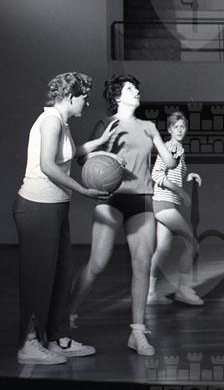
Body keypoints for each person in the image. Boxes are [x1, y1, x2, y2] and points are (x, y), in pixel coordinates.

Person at [68, 74, 182, 356]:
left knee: (142, 264)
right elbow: (81, 157)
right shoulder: (105, 124)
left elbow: (167, 161)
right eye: (131, 89)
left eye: (137, 88)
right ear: (118, 96)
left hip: (141, 198)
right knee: (97, 262)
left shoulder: (148, 126)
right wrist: (107, 157)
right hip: (110, 198)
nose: (137, 91)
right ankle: (65, 314)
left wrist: (173, 153)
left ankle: (138, 332)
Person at [14, 72, 118, 365]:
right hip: (37, 208)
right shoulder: (50, 121)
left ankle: (58, 338)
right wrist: (84, 190)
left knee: (61, 275)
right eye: (84, 97)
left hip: (56, 207)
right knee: (39, 278)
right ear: (71, 97)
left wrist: (101, 141)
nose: (87, 102)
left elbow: (69, 155)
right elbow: (48, 165)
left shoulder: (61, 122)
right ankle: (29, 344)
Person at [147, 111, 203, 306]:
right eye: (175, 127)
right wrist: (182, 192)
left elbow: (174, 174)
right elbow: (156, 174)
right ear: (169, 129)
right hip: (164, 203)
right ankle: (183, 290)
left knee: (162, 249)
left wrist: (189, 176)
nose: (179, 130)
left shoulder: (178, 148)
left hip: (165, 203)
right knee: (192, 245)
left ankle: (150, 293)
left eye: (182, 127)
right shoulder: (170, 147)